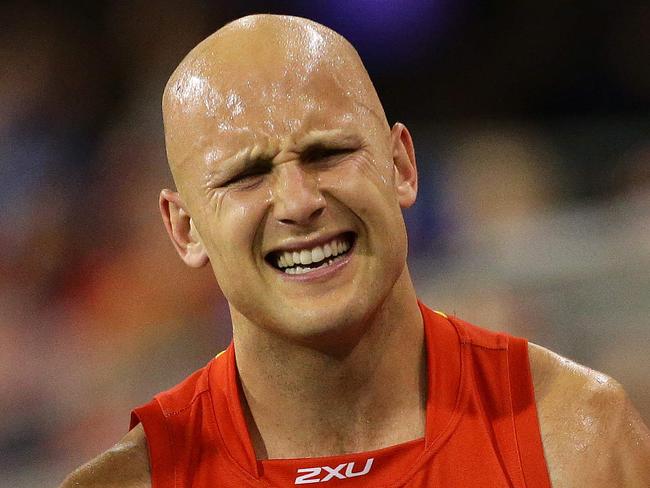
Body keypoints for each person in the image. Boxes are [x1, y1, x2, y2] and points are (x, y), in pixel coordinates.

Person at [61, 14, 650, 487]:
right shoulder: (130, 481)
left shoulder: (575, 437)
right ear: (184, 228)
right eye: (247, 175)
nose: (298, 202)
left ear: (401, 165)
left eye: (327, 153)